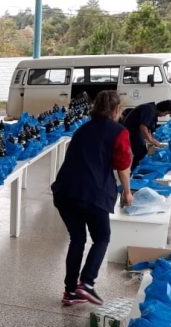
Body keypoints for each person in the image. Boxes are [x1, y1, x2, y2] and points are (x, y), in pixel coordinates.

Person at [51, 90, 133, 306]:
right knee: (102, 237)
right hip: (92, 193)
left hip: (65, 192)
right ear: (116, 110)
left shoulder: (82, 129)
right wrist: (127, 191)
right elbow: (123, 166)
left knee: (77, 239)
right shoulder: (119, 132)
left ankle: (70, 292)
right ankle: (86, 283)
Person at [122, 100, 171, 170]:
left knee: (150, 149)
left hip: (136, 132)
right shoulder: (149, 110)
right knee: (141, 151)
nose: (164, 116)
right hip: (131, 131)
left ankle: (146, 165)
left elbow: (149, 131)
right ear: (164, 109)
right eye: (166, 113)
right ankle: (135, 172)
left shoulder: (153, 112)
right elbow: (143, 127)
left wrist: (153, 143)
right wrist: (151, 141)